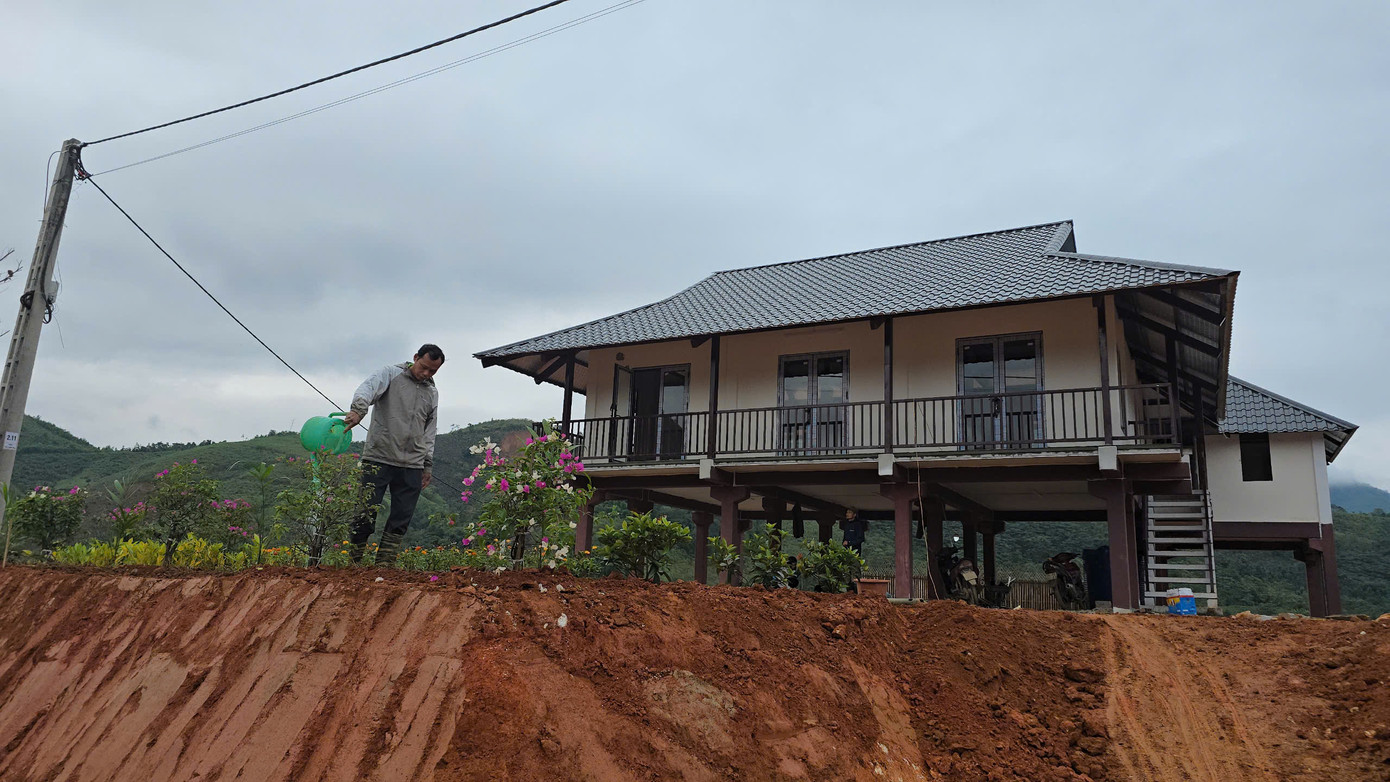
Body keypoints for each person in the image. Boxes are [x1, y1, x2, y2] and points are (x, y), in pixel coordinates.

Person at [343, 344, 444, 564]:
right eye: (424, 367)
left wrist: (427, 464)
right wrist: (358, 410)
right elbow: (366, 389)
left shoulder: (432, 392)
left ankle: (384, 565)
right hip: (379, 455)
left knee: (401, 517)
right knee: (365, 512)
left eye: (433, 371)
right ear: (416, 357)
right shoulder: (390, 374)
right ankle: (353, 563)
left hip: (413, 462)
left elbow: (430, 431)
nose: (426, 373)